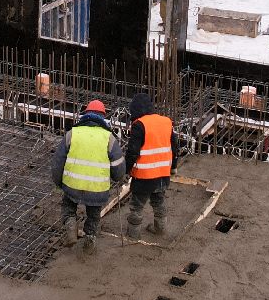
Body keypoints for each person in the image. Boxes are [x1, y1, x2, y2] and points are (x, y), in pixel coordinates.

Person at [51, 99, 126, 253]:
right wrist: (118, 178)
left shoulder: (72, 134)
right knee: (93, 215)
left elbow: (58, 162)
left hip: (72, 186)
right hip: (97, 189)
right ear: (102, 117)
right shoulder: (109, 138)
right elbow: (118, 167)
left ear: (85, 115)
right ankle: (90, 240)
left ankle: (71, 224)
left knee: (68, 207)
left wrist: (59, 183)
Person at [123, 93, 177, 239]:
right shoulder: (166, 122)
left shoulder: (139, 124)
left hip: (144, 176)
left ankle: (133, 234)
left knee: (137, 205)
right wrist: (173, 168)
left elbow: (132, 152)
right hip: (162, 174)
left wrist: (126, 170)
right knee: (159, 201)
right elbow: (174, 147)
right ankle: (160, 228)